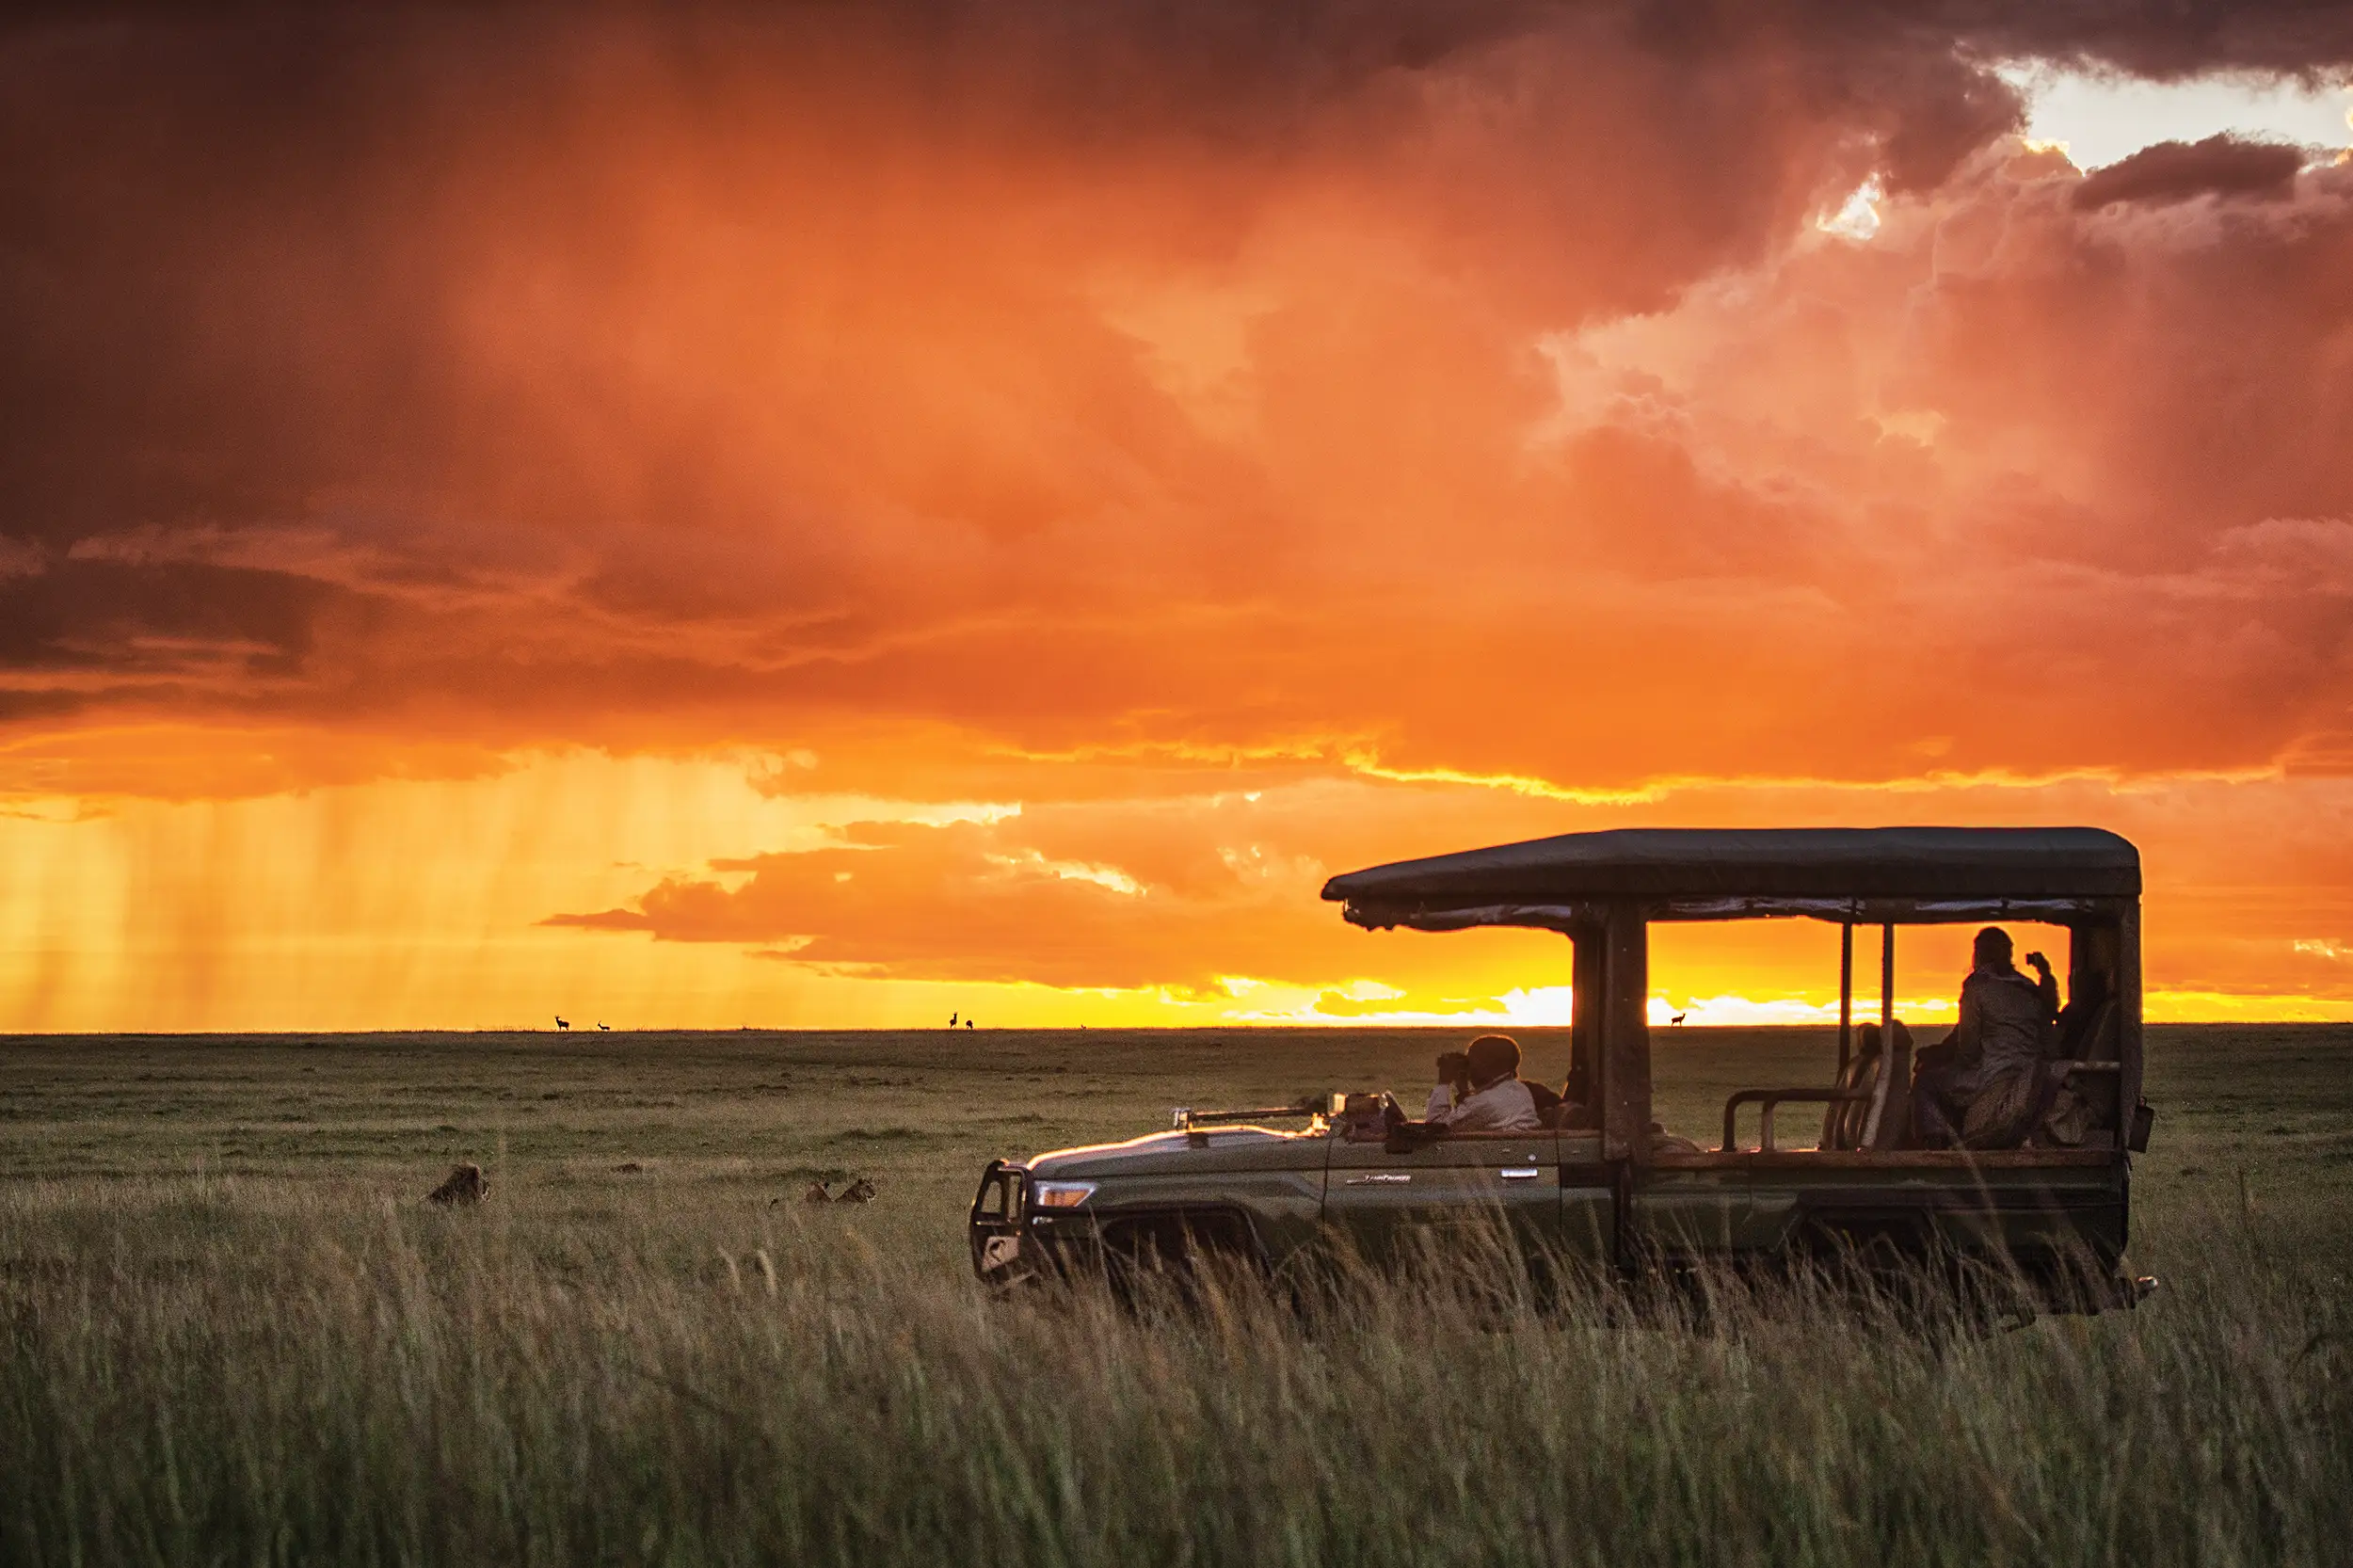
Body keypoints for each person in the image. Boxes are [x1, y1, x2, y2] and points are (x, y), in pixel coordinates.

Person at [1913, 927, 2059, 1148]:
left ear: (1978, 954)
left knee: (1926, 1082)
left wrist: (1945, 1060)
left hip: (1993, 1074)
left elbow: (1968, 1048)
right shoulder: (2029, 988)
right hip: (2029, 1072)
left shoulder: (1977, 987)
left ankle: (1934, 1144)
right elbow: (2046, 1037)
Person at [1422, 1033, 1543, 1132]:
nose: (1469, 1068)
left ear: (1488, 1065)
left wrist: (1443, 1082)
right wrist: (1463, 1088)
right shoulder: (1520, 1090)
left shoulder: (1487, 1101)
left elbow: (1436, 1126)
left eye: (1471, 1061)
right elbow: (1471, 1110)